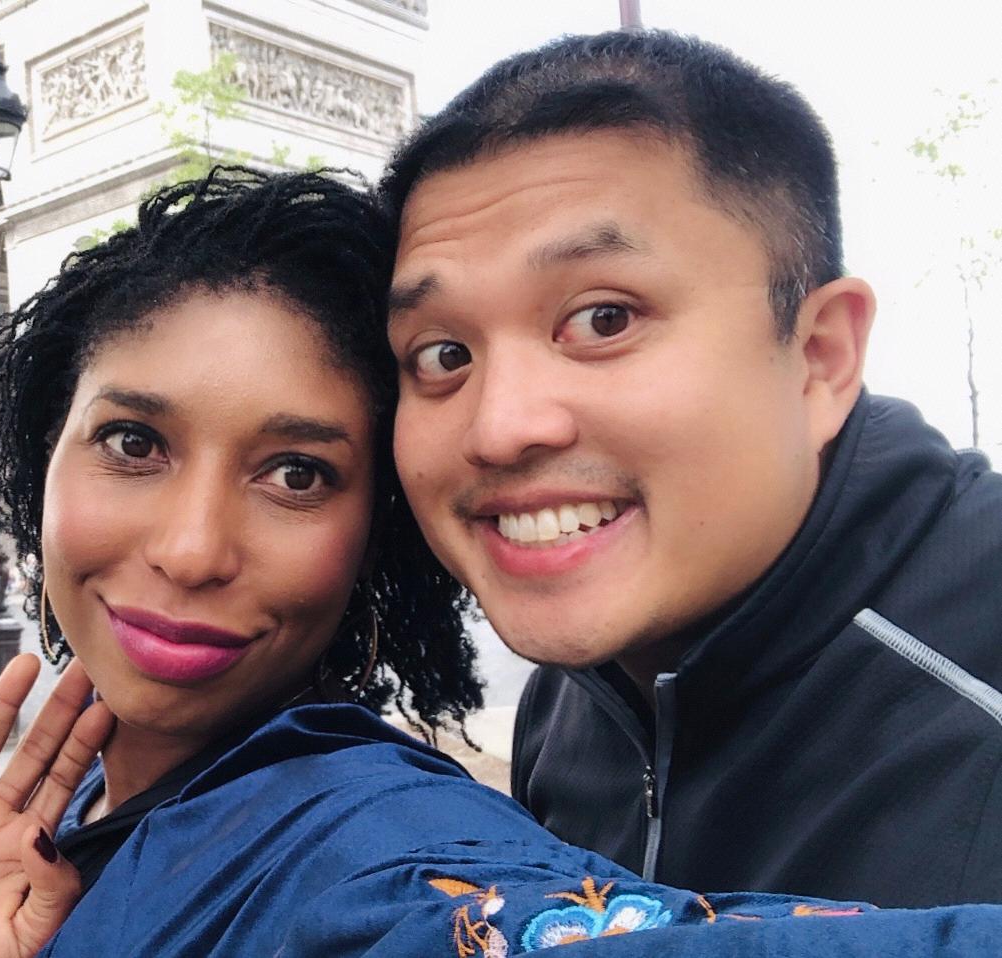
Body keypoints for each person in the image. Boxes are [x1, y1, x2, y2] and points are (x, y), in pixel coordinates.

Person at [0, 169, 1002, 957]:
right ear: (39, 456)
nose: (191, 548)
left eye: (297, 473)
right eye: (133, 443)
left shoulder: (371, 851)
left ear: (380, 537)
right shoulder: (44, 823)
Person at [377, 30, 1002, 907]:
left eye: (602, 319)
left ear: (817, 357)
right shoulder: (574, 691)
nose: (500, 427)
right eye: (442, 353)